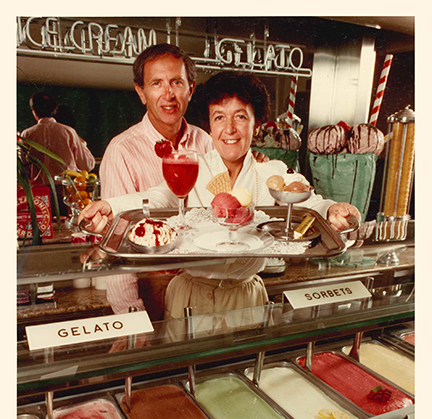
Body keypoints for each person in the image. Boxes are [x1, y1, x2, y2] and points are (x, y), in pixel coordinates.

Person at [80, 71, 361, 320]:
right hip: (190, 295)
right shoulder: (193, 167)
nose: (229, 129)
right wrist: (110, 206)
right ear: (209, 125)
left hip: (247, 294)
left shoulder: (272, 172)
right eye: (219, 117)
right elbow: (159, 197)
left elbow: (309, 200)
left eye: (240, 116)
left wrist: (333, 209)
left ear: (257, 123)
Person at [99, 44, 267, 316]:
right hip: (149, 285)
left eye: (177, 82)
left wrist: (252, 160)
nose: (168, 94)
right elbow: (118, 244)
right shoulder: (122, 150)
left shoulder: (208, 141)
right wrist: (130, 315)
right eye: (156, 83)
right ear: (141, 92)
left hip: (206, 281)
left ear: (190, 88)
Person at [20, 92, 95, 183]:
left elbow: (24, 170)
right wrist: (83, 144)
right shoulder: (69, 132)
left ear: (34, 111)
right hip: (65, 189)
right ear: (54, 110)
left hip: (38, 191)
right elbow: (86, 165)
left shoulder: (26, 134)